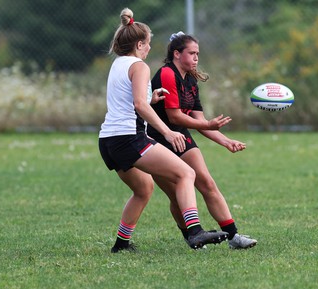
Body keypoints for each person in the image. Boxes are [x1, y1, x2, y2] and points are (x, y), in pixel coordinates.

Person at [98, 9, 229, 252]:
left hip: (107, 140)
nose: (149, 49)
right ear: (139, 44)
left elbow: (131, 101)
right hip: (129, 137)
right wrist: (166, 132)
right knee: (186, 174)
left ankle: (121, 244)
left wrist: (152, 99)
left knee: (143, 189)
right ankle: (195, 231)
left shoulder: (118, 64)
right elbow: (138, 105)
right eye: (147, 44)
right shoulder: (140, 66)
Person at [147, 31, 257, 249]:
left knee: (207, 182)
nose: (196, 58)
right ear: (177, 54)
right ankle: (192, 237)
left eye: (198, 53)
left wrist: (226, 141)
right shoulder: (167, 73)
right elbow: (174, 116)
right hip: (156, 137)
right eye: (192, 53)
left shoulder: (191, 80)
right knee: (176, 195)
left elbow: (199, 120)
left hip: (180, 134)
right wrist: (207, 125)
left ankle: (233, 237)